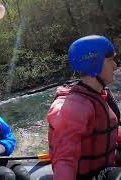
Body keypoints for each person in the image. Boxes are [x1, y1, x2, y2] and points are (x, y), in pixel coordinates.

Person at [47, 35, 121, 180]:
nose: (115, 66)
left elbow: (108, 130)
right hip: (89, 175)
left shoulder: (100, 94)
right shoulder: (74, 107)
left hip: (107, 162)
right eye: (110, 60)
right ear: (94, 64)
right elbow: (65, 158)